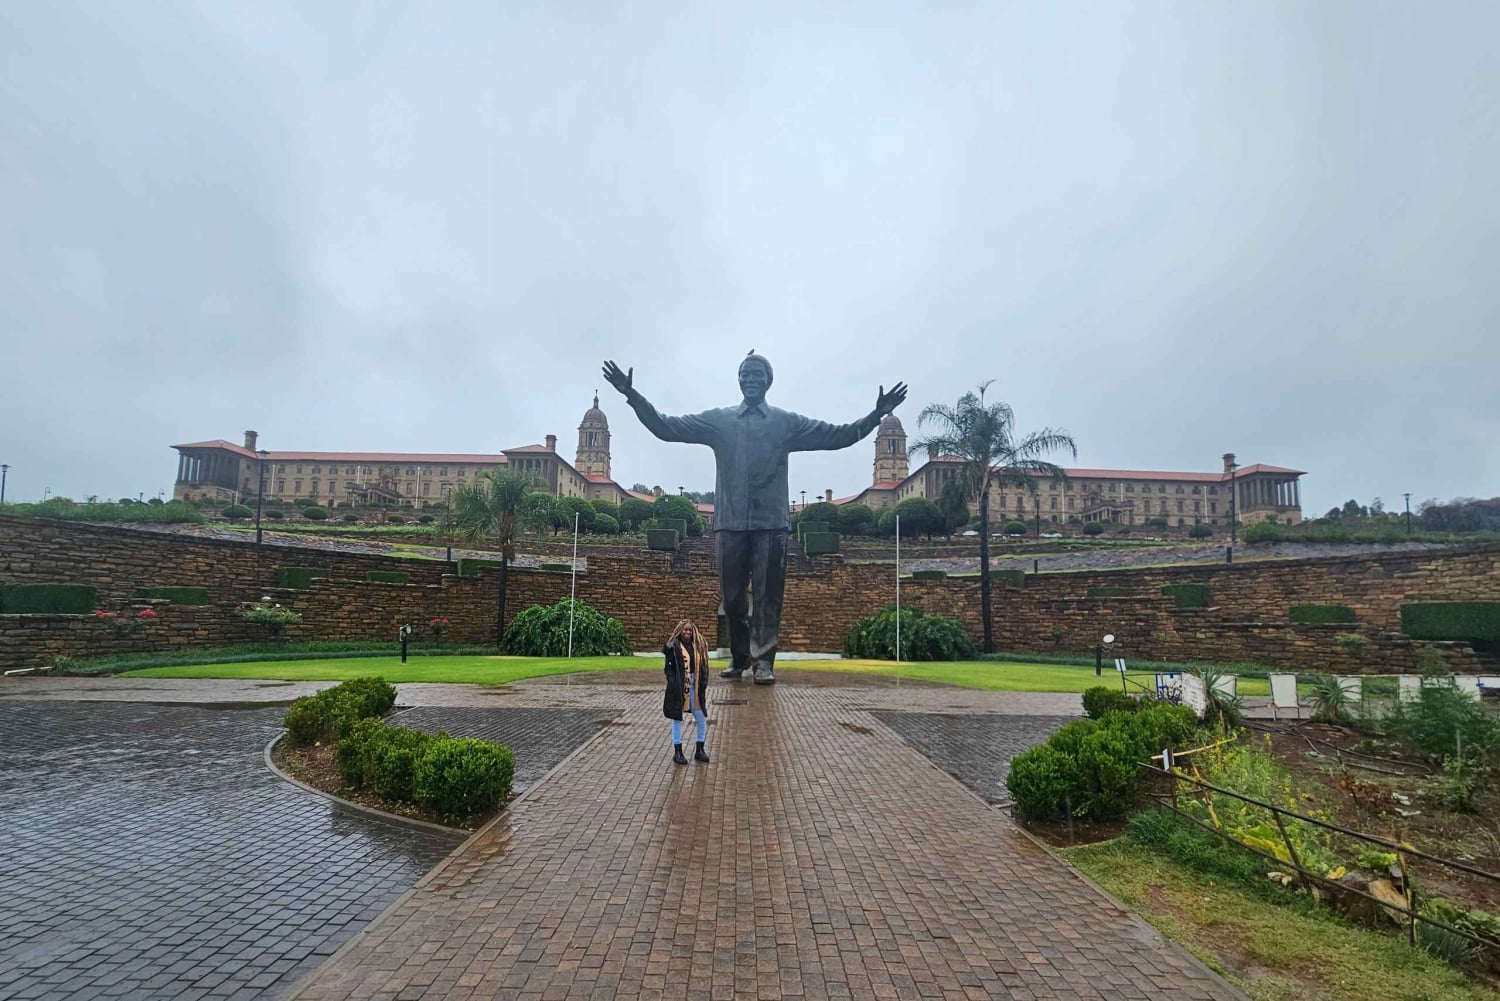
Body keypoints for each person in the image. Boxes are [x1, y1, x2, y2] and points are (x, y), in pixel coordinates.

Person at [605, 352, 905, 686]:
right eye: (745, 374)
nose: (750, 379)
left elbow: (838, 435)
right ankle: (739, 656)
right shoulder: (719, 421)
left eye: (757, 374)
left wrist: (877, 414)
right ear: (738, 380)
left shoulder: (785, 423)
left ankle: (763, 661)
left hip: (772, 524)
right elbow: (666, 427)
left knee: (767, 597)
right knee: (733, 599)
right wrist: (631, 395)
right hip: (730, 523)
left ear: (768, 381)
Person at [663, 618, 710, 764]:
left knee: (701, 718)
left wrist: (703, 682)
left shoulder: (698, 646)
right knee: (677, 719)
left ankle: (700, 750)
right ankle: (678, 752)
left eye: (690, 630)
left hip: (694, 687)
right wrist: (673, 682)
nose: (688, 632)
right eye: (685, 629)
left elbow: (702, 667)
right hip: (679, 686)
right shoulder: (673, 646)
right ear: (680, 630)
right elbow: (668, 669)